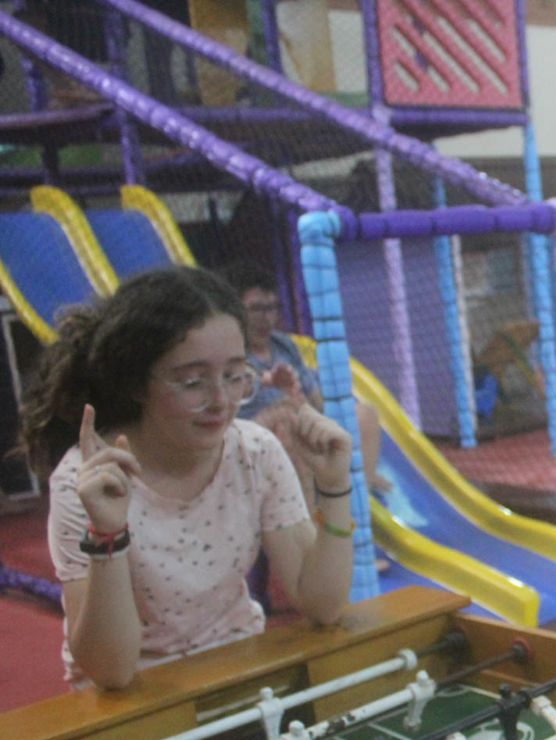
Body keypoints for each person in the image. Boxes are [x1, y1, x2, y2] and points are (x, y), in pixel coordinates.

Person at [20, 267, 354, 690]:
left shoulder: (254, 452)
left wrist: (334, 487)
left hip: (238, 671)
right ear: (137, 384)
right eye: (193, 382)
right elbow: (112, 671)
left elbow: (323, 606)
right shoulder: (88, 481)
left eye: (235, 375)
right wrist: (108, 534)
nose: (221, 401)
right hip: (134, 696)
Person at [221, 263, 390, 496]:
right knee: (286, 422)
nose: (267, 318)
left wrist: (333, 421)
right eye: (257, 309)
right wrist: (270, 384)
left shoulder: (283, 345)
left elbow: (314, 398)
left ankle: (361, 487)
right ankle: (315, 500)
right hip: (260, 441)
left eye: (273, 308)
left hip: (302, 428)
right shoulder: (230, 352)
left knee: (364, 414)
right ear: (236, 311)